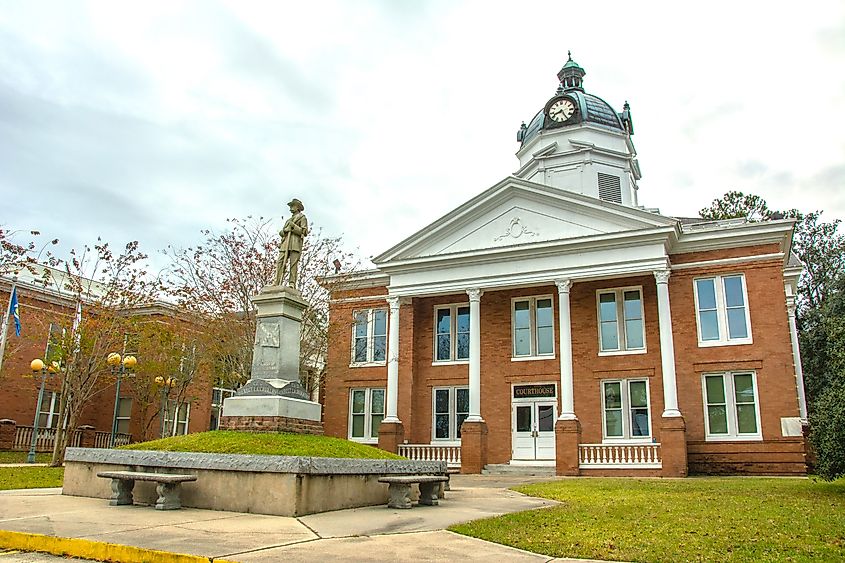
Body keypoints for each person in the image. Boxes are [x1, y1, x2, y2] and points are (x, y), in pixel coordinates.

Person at [274, 198, 309, 288]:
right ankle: (277, 281)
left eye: (292, 206)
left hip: (295, 242)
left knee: (293, 264)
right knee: (280, 261)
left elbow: (304, 232)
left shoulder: (302, 217)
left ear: (298, 207)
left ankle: (292, 283)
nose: (291, 208)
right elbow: (281, 232)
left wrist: (294, 227)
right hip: (286, 242)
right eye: (290, 206)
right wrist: (285, 230)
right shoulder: (288, 220)